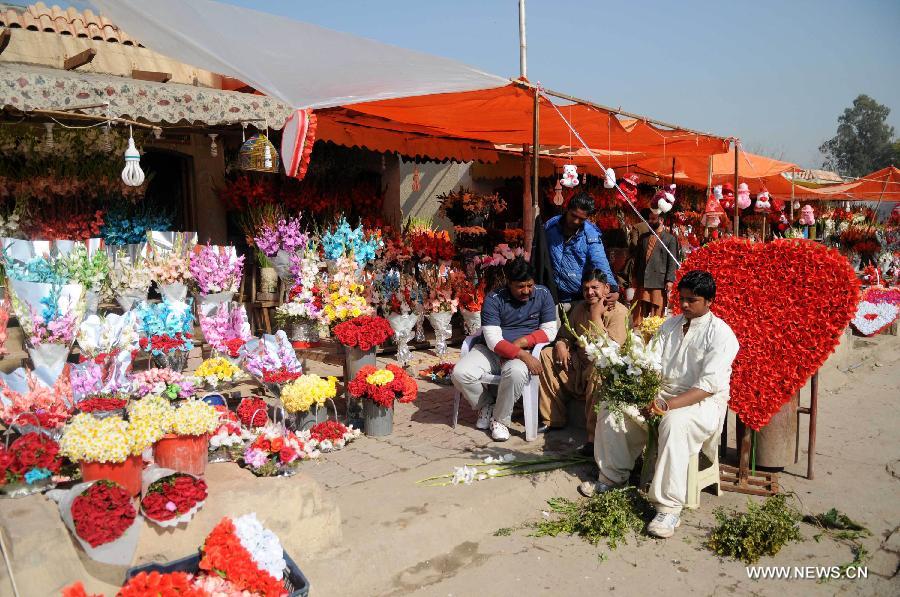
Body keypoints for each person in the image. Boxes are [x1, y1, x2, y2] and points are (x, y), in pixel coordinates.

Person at [579, 270, 739, 539]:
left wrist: (667, 405)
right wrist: (640, 390)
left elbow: (707, 386)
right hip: (660, 395)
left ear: (710, 301)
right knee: (612, 403)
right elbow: (652, 364)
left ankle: (668, 508)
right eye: (682, 299)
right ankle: (612, 478)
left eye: (693, 300)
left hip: (702, 404)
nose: (685, 305)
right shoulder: (670, 325)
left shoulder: (721, 334)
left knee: (674, 422)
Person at [451, 258, 558, 441]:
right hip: (491, 351)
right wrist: (521, 353)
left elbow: (550, 331)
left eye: (529, 285)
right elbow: (493, 341)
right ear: (509, 283)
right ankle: (486, 405)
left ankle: (500, 420)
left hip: (521, 354)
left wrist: (522, 343)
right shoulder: (494, 299)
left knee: (515, 372)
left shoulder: (543, 294)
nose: (526, 291)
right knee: (460, 373)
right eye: (520, 286)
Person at [537, 270, 629, 453]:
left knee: (600, 367)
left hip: (602, 367)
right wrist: (561, 345)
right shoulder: (580, 307)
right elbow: (565, 335)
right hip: (578, 364)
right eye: (586, 289)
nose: (590, 293)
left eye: (595, 288)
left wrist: (596, 316)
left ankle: (593, 438)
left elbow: (611, 351)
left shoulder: (619, 312)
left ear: (606, 288)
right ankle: (553, 419)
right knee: (547, 354)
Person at [544, 192, 619, 309]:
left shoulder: (591, 235)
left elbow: (600, 262)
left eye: (581, 219)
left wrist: (613, 288)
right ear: (567, 209)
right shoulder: (550, 227)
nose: (576, 221)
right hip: (551, 295)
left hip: (578, 298)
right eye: (573, 216)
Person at [632, 208, 679, 325]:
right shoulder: (643, 238)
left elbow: (672, 261)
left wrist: (670, 280)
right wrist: (634, 277)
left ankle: (654, 336)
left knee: (656, 313)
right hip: (642, 280)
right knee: (639, 312)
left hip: (659, 281)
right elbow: (637, 260)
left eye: (653, 219)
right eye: (649, 219)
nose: (650, 221)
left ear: (661, 220)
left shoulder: (670, 239)